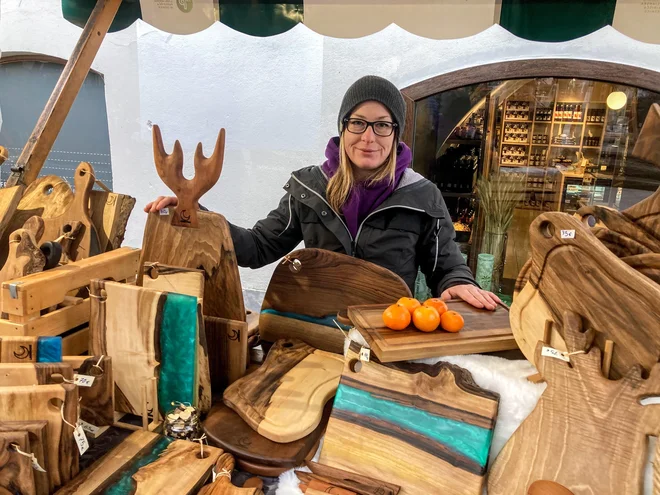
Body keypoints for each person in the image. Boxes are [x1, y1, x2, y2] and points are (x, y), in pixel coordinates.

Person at [145, 75, 501, 310]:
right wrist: (198, 212)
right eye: (358, 123)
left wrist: (458, 283)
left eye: (382, 125)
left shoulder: (422, 196)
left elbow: (446, 266)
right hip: (312, 329)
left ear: (396, 133)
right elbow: (257, 247)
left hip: (386, 333)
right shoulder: (309, 187)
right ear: (343, 128)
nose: (368, 136)